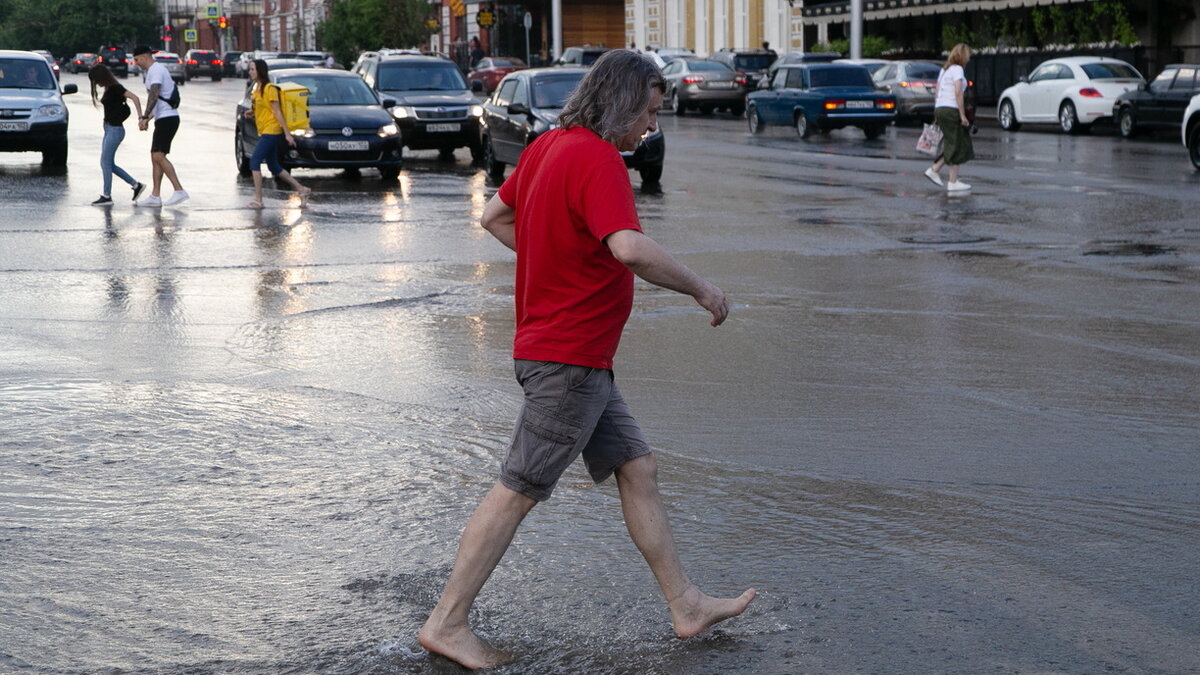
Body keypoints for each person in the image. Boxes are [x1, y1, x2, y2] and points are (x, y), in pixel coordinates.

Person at [417, 49, 756, 671]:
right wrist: (703, 288)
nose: (651, 127)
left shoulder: (548, 145)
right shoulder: (598, 157)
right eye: (649, 113)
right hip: (569, 361)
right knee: (517, 489)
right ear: (622, 102)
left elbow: (495, 214)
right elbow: (628, 247)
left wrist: (555, 261)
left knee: (639, 467)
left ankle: (686, 604)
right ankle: (448, 621)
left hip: (572, 356)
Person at [243, 59, 310, 209]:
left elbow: (277, 111)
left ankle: (258, 200)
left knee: (254, 161)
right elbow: (262, 106)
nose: (250, 72)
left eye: (252, 69)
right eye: (250, 69)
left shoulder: (270, 88)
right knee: (273, 166)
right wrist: (252, 111)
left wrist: (287, 134)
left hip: (272, 130)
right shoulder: (257, 88)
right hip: (264, 130)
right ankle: (302, 189)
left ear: (260, 70)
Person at [132, 46, 189, 207]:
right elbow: (159, 100)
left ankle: (179, 190)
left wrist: (144, 116)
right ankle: (155, 196)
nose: (136, 63)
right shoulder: (153, 71)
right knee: (155, 156)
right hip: (163, 118)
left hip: (168, 119)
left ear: (144, 56)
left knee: (158, 156)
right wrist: (147, 119)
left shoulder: (156, 71)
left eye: (136, 60)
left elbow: (154, 94)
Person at [88, 65, 146, 206]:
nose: (96, 83)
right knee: (108, 164)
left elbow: (135, 98)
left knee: (105, 163)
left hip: (115, 130)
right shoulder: (109, 88)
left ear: (102, 77)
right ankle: (136, 185)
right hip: (109, 129)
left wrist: (141, 118)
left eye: (97, 80)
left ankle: (107, 196)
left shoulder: (115, 87)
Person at [924, 43, 974, 192]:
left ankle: (951, 179)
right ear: (963, 56)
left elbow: (938, 91)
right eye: (968, 56)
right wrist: (962, 115)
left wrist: (937, 111)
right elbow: (958, 92)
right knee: (955, 143)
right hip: (951, 109)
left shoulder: (944, 70)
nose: (969, 59)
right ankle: (938, 172)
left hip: (941, 108)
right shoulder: (958, 69)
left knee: (953, 142)